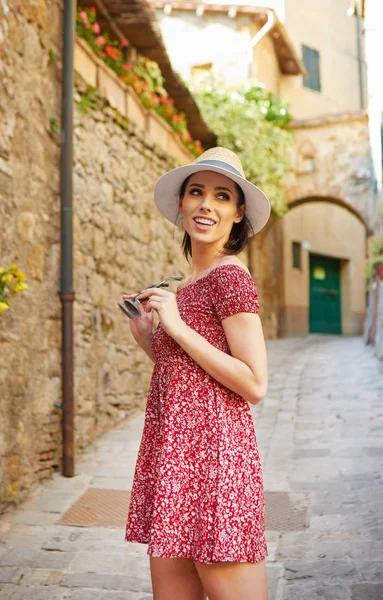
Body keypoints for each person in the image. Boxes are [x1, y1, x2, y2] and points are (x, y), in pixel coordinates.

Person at [123, 147, 270, 600]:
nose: (207, 204)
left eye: (222, 196)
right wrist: (150, 338)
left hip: (216, 463)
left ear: (238, 213)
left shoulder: (231, 278)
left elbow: (254, 383)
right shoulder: (182, 287)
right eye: (197, 192)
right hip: (172, 461)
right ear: (182, 204)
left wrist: (180, 328)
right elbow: (190, 376)